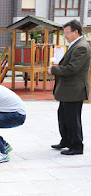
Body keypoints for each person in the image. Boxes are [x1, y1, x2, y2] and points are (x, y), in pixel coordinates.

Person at [48, 20, 91, 155]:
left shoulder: (81, 47)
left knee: (73, 119)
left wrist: (54, 69)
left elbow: (72, 69)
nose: (65, 36)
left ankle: (76, 146)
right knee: (63, 116)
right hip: (68, 90)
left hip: (74, 90)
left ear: (76, 32)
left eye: (67, 33)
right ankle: (66, 140)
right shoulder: (76, 45)